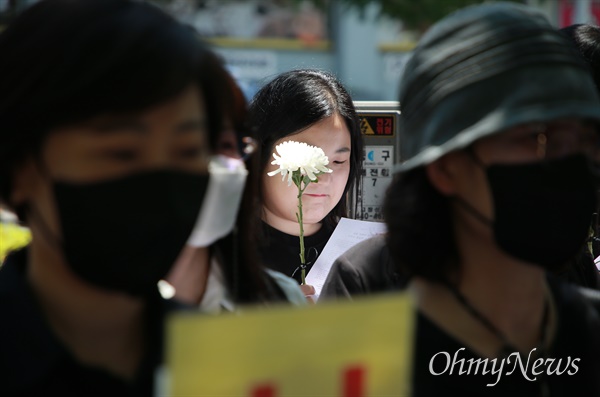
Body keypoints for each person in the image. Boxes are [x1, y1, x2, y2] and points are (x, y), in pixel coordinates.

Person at [0, 0, 236, 394]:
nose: (160, 186)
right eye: (121, 153)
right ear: (21, 168)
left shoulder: (228, 370)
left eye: (187, 152)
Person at [383, 3, 600, 395]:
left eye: (586, 139)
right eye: (538, 137)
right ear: (446, 166)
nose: (569, 162)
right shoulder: (362, 366)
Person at [162, 58, 306, 309]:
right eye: (189, 145)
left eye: (226, 145)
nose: (210, 163)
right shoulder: (91, 310)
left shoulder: (278, 301)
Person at [248, 69, 363, 294]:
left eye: (338, 161)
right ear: (260, 154)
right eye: (306, 158)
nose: (323, 177)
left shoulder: (365, 255)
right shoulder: (221, 253)